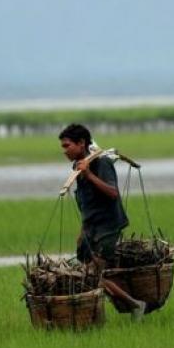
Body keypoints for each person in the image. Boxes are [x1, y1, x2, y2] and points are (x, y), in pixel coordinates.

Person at [58, 123, 147, 321]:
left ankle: (135, 305)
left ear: (81, 144)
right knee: (91, 275)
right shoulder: (77, 167)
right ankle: (120, 308)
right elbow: (85, 202)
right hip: (91, 228)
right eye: (63, 147)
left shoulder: (102, 163)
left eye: (67, 146)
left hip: (107, 228)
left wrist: (88, 174)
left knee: (91, 276)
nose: (64, 151)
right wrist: (82, 230)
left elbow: (113, 193)